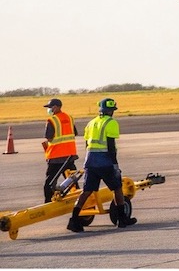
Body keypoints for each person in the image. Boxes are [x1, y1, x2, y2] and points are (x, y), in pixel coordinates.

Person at [66, 97, 136, 232]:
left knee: (86, 191)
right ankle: (122, 219)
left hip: (90, 161)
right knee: (117, 188)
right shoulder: (111, 123)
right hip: (105, 162)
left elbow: (87, 144)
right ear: (110, 111)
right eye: (112, 110)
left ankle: (74, 220)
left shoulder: (91, 123)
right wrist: (115, 164)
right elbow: (110, 146)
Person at [42, 98, 78, 203]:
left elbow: (49, 137)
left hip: (56, 156)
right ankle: (78, 199)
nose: (49, 110)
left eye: (50, 107)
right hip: (70, 155)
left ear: (56, 107)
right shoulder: (69, 118)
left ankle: (48, 202)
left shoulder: (52, 120)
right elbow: (74, 133)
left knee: (50, 182)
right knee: (72, 179)